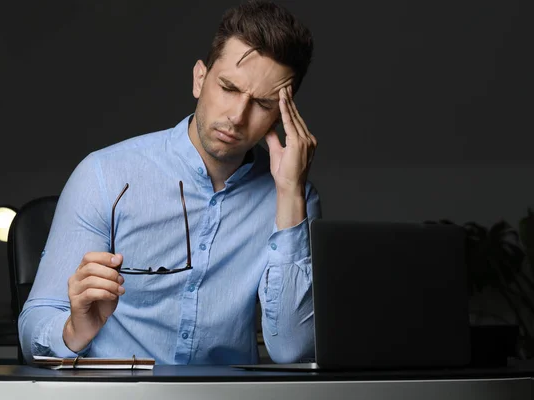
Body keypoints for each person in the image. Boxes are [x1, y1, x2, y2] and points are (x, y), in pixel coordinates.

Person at [19, 0, 321, 365]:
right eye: (228, 87)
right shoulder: (104, 175)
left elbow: (293, 350)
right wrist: (73, 330)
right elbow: (33, 327)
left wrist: (289, 193)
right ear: (199, 78)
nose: (237, 117)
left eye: (262, 103)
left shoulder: (295, 198)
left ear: (284, 116)